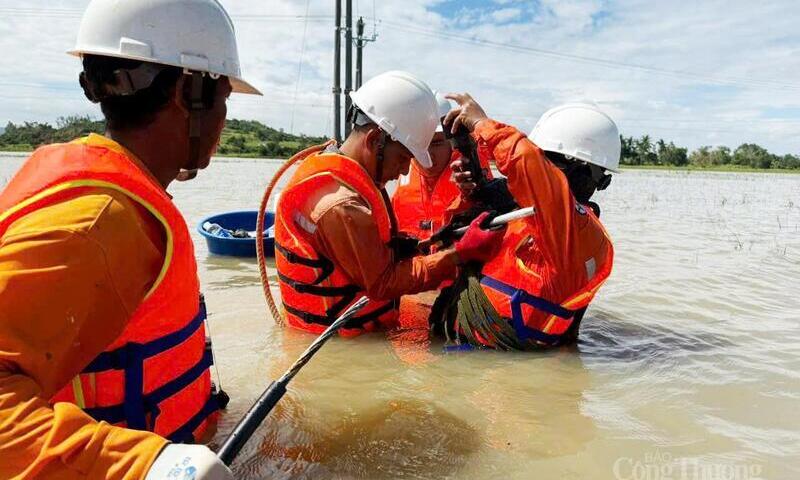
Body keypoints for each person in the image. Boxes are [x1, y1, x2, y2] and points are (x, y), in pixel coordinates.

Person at [0, 0, 259, 478]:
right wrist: (145, 467)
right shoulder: (98, 222)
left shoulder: (124, 199)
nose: (225, 121)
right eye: (225, 97)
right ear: (190, 92)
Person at [274, 71, 505, 337]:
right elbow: (383, 283)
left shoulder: (348, 179)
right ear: (374, 140)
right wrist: (459, 254)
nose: (405, 170)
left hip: (346, 337)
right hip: (343, 347)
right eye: (403, 157)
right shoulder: (342, 206)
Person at [433, 94, 619, 349]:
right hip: (468, 353)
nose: (540, 166)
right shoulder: (546, 219)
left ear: (579, 169)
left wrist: (482, 123)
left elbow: (528, 165)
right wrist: (472, 187)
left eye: (546, 160)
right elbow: (500, 194)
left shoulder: (573, 230)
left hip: (489, 368)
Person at [391, 92, 492, 241]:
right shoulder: (402, 166)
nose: (427, 154)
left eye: (437, 143)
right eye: (420, 143)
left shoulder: (471, 169)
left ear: (451, 140)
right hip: (412, 261)